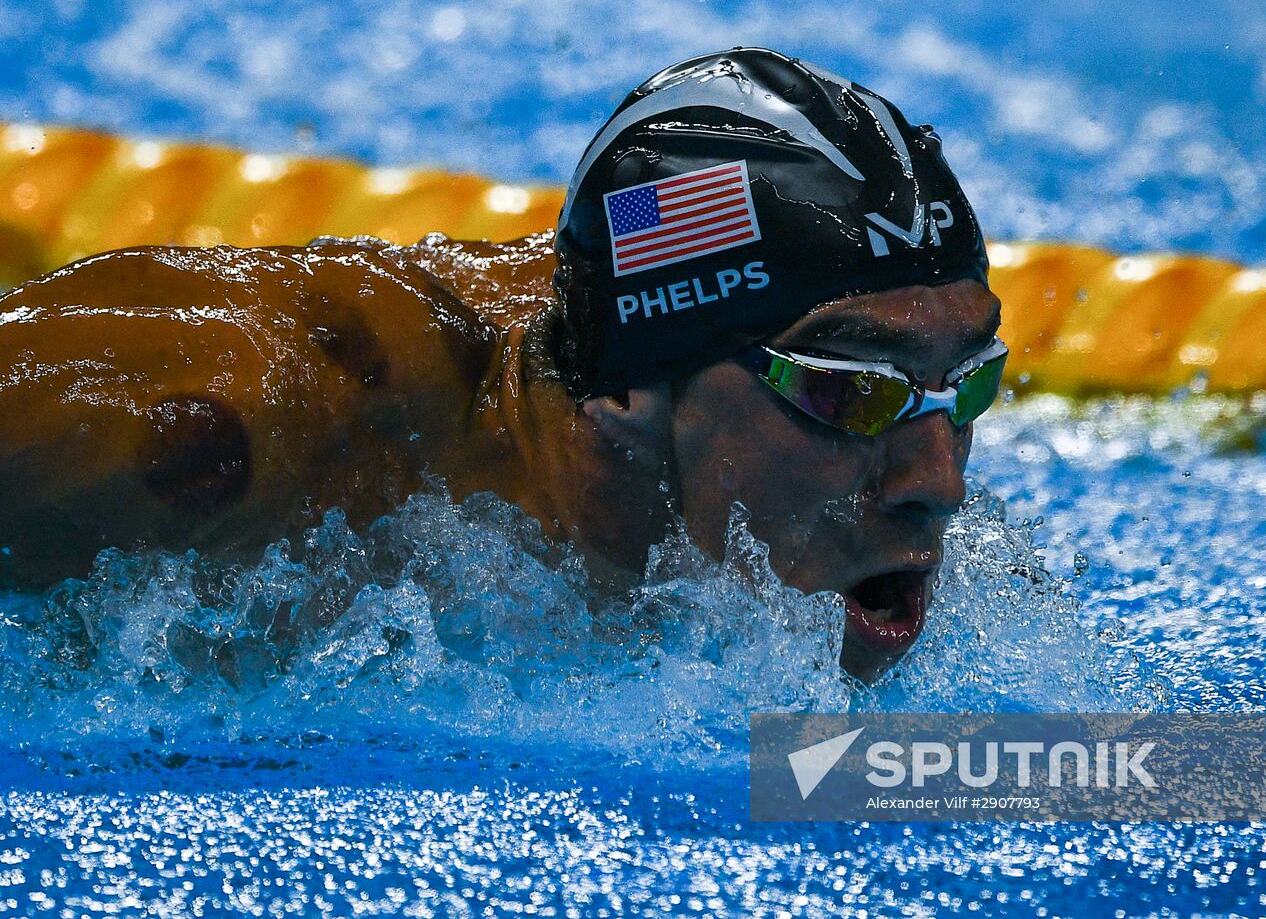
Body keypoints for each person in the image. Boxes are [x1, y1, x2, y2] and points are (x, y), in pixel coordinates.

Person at [0, 47, 1002, 680]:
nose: (940, 484)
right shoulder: (222, 430)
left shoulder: (850, 509)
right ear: (624, 390)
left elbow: (1117, 773)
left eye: (966, 384)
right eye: (845, 390)